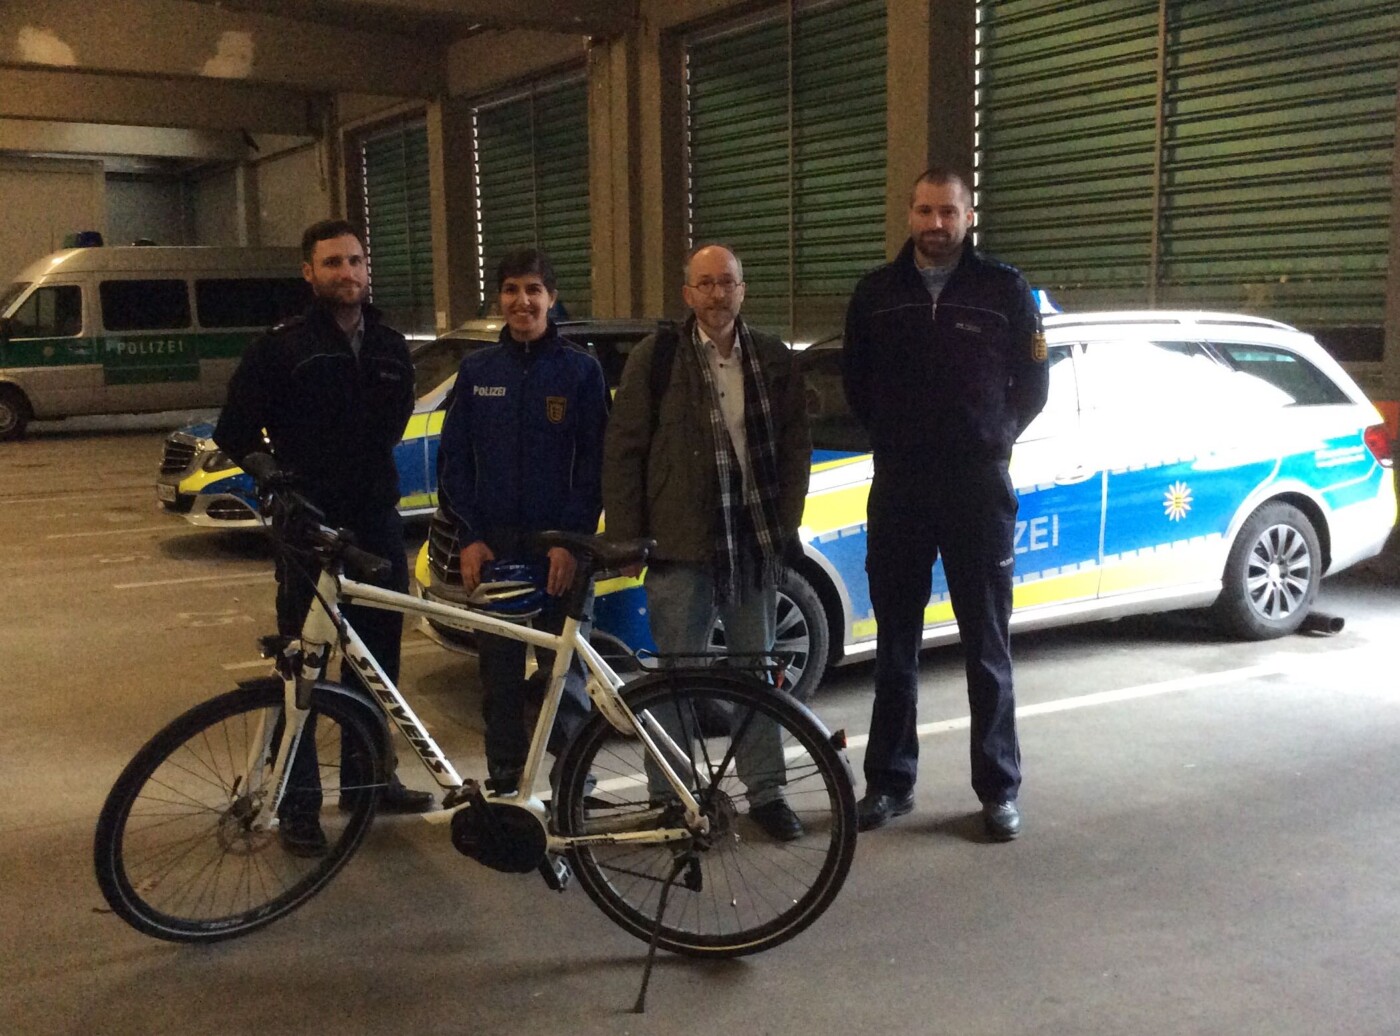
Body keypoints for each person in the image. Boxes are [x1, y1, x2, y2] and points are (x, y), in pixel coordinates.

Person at [214, 218, 435, 857]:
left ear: (368, 271)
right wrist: (275, 479)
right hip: (307, 528)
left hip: (376, 522)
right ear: (309, 274)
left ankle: (370, 784)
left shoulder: (392, 345)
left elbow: (393, 422)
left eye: (356, 261)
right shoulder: (279, 348)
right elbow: (234, 430)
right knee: (303, 668)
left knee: (377, 665)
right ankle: (299, 802)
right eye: (333, 262)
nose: (347, 272)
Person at [842, 167, 1049, 840]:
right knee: (895, 646)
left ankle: (998, 790)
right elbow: (856, 386)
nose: (936, 224)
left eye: (948, 212)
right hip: (900, 487)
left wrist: (994, 438)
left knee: (987, 644)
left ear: (969, 216)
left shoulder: (1005, 290)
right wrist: (901, 442)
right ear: (908, 214)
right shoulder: (875, 294)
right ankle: (889, 784)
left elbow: (1033, 383)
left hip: (977, 490)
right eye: (925, 211)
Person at [602, 243, 812, 842]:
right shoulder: (657, 357)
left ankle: (767, 793)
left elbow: (795, 445)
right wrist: (628, 536)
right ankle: (671, 801)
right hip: (679, 544)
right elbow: (625, 449)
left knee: (756, 675)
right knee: (675, 679)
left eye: (728, 283)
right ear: (687, 293)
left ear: (743, 290)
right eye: (706, 284)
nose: (718, 294)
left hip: (752, 542)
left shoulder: (771, 357)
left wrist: (785, 519)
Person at [437, 248, 608, 797]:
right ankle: (507, 785)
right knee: (500, 680)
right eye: (511, 289)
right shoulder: (478, 371)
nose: (522, 301)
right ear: (498, 300)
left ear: (552, 298)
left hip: (561, 551)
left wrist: (570, 542)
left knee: (566, 680)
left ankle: (571, 785)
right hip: (496, 552)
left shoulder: (581, 370)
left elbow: (595, 465)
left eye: (533, 289)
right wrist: (471, 539)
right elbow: (455, 461)